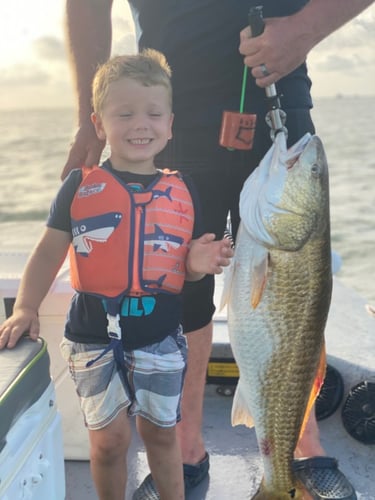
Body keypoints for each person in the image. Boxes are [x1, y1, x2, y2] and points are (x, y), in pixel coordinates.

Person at [62, 1, 373, 499]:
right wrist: (88, 119)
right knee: (179, 280)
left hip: (279, 86)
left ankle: (301, 443)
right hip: (170, 105)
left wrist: (304, 28)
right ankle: (185, 447)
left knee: (297, 280)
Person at [0, 49, 233, 500]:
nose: (139, 124)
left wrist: (197, 266)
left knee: (161, 436)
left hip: (161, 335)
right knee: (109, 442)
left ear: (170, 124)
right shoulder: (78, 187)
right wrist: (26, 307)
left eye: (152, 113)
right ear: (99, 124)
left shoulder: (184, 191)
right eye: (124, 113)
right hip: (91, 334)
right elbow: (49, 250)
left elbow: (187, 273)